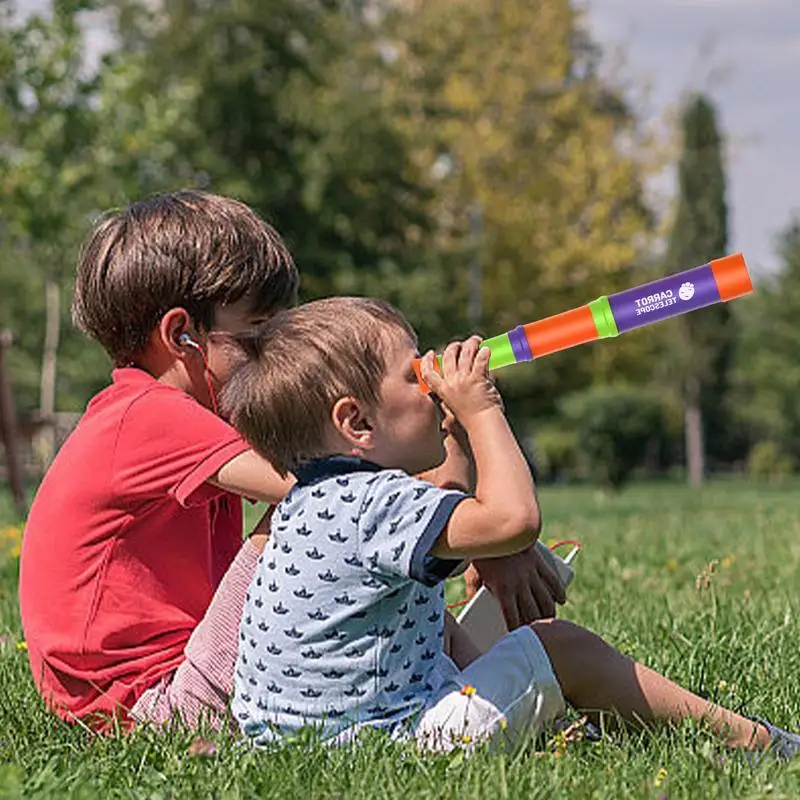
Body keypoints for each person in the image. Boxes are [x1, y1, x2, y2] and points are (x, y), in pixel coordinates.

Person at [18, 190, 559, 733]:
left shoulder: (178, 414)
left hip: (160, 685)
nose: (279, 362)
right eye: (259, 335)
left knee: (352, 531)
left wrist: (458, 478)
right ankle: (478, 681)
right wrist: (491, 535)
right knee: (326, 507)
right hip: (146, 705)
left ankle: (465, 677)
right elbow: (352, 488)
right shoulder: (146, 414)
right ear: (182, 335)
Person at [222, 296, 800, 757]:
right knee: (557, 644)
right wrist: (481, 411)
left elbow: (443, 499)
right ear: (356, 421)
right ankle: (756, 743)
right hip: (390, 743)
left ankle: (559, 716)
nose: (432, 385)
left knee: (429, 618)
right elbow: (512, 521)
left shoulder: (319, 500)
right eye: (413, 376)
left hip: (315, 745)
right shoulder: (371, 503)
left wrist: (449, 427)